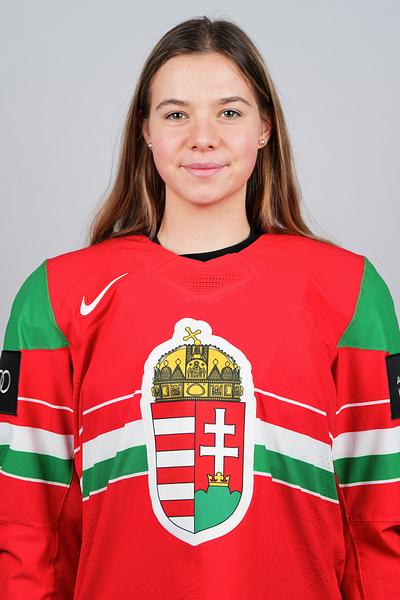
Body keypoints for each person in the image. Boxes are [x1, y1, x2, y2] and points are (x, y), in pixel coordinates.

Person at [0, 15, 399, 600]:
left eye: (229, 112)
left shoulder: (350, 294)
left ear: (265, 128)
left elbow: (379, 524)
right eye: (176, 114)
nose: (202, 137)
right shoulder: (55, 298)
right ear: (145, 131)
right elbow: (28, 528)